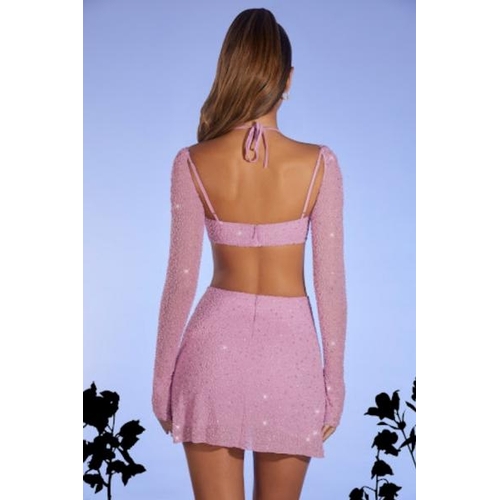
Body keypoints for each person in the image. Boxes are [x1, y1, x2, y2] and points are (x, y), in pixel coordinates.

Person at [152, 7, 347, 500]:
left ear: (229, 70)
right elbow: (329, 284)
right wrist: (334, 383)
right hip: (291, 361)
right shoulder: (319, 164)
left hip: (210, 357)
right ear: (288, 79)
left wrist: (161, 380)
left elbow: (180, 279)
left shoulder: (192, 162)